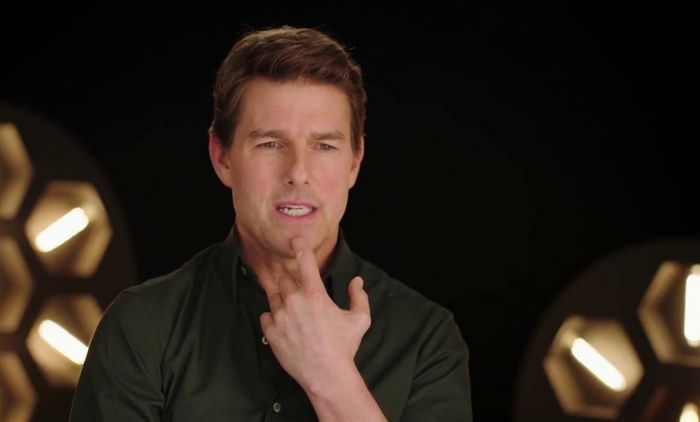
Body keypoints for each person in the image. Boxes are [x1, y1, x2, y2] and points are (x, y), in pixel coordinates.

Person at [70, 26, 472, 421]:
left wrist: (332, 378)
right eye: (270, 144)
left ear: (355, 161)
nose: (298, 172)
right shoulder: (141, 327)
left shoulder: (426, 339)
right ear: (222, 157)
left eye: (324, 146)